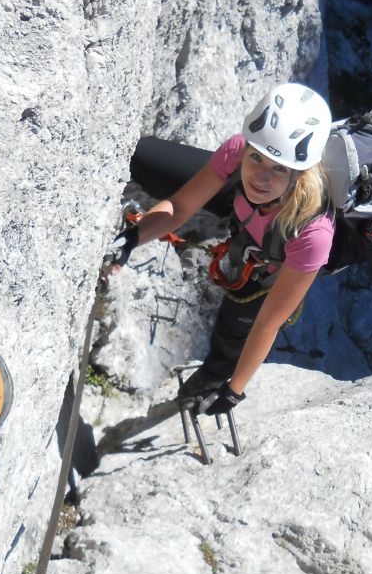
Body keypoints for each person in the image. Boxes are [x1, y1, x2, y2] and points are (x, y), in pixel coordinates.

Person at [108, 83, 335, 416]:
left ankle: (212, 376)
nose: (261, 175)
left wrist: (234, 390)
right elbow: (181, 208)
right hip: (239, 203)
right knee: (146, 158)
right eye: (256, 157)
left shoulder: (312, 232)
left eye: (279, 168)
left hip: (269, 262)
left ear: (299, 175)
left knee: (235, 326)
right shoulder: (239, 151)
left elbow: (268, 323)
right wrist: (131, 238)